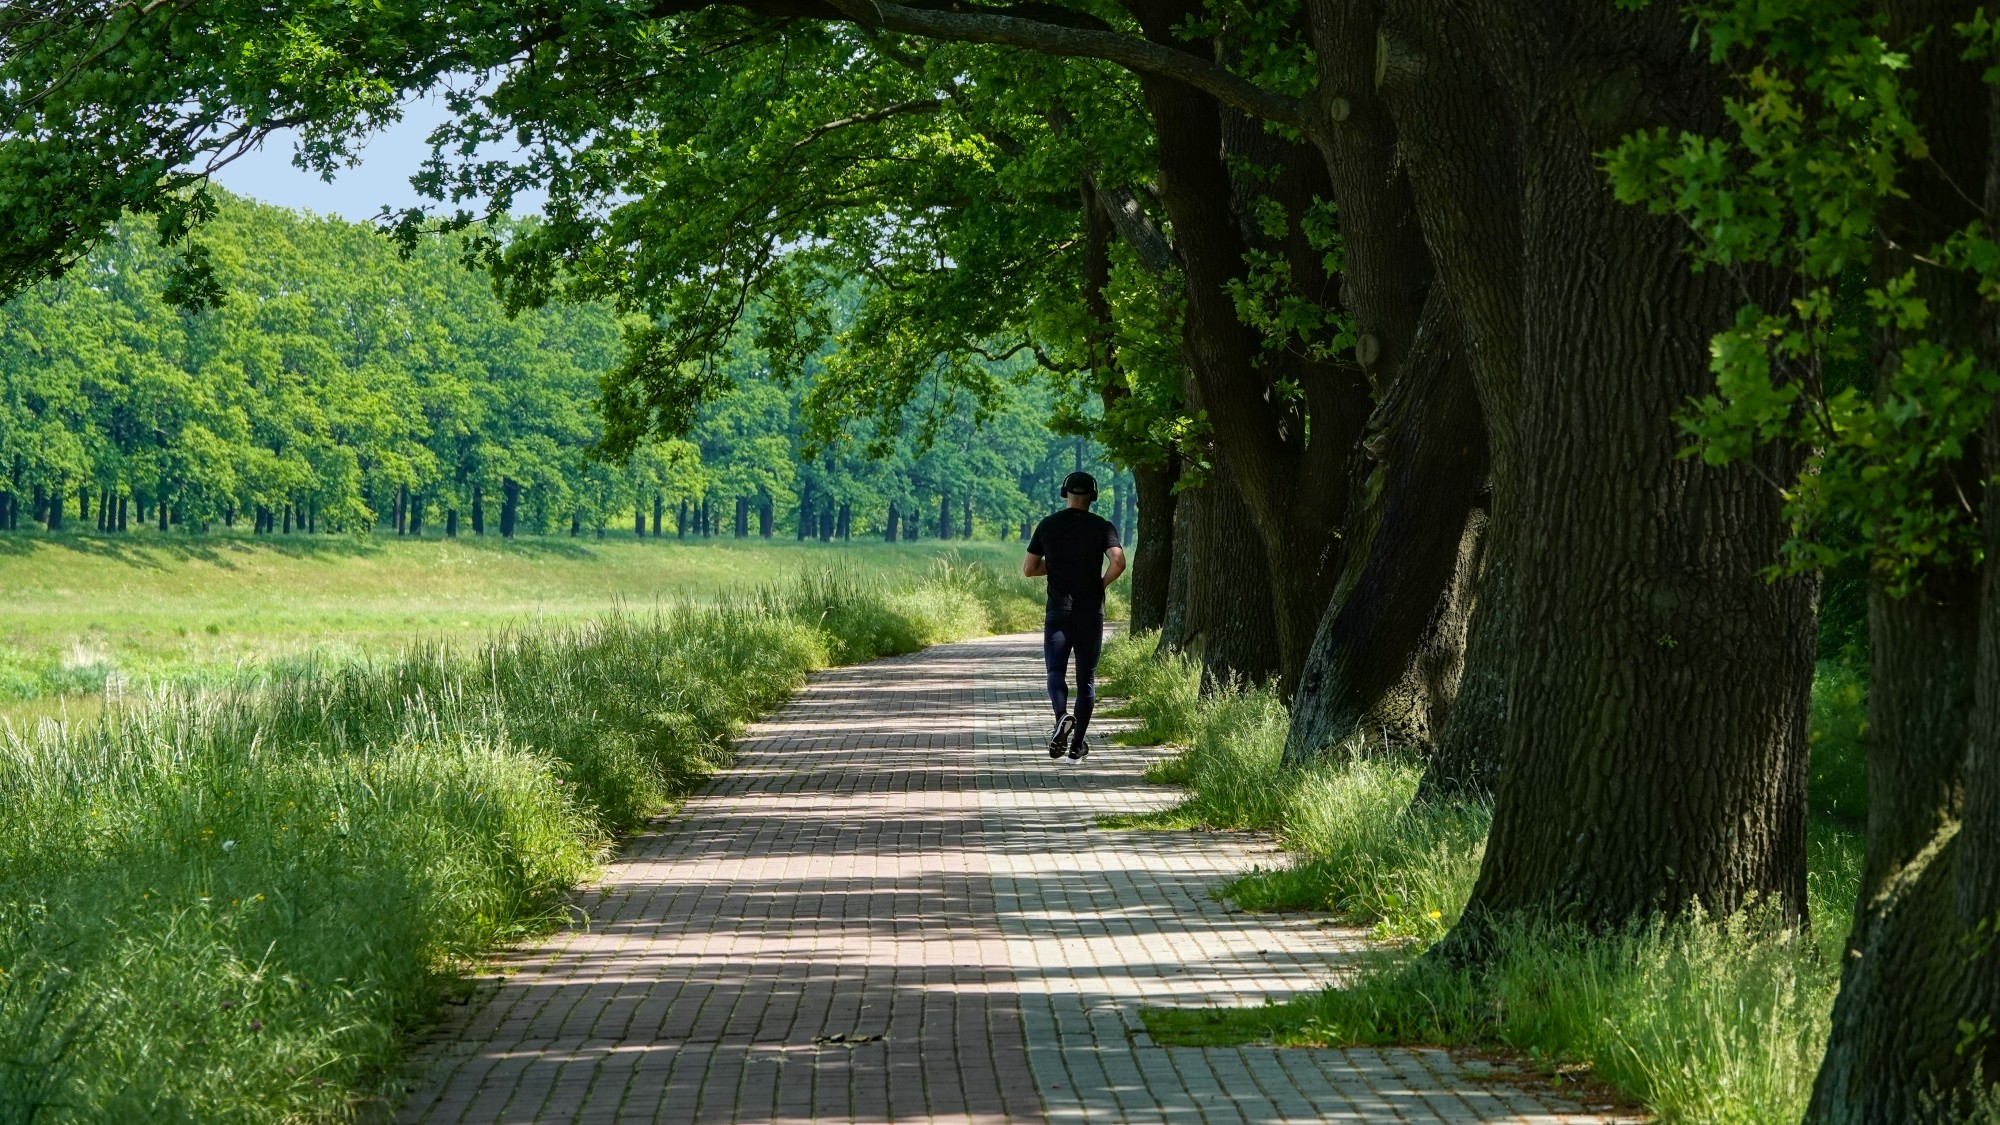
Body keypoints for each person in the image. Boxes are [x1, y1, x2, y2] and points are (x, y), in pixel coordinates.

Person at [1023, 471, 1126, 760]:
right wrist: (1100, 583)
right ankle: (1077, 744)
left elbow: (1029, 568)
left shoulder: (1047, 526)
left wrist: (1055, 567)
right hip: (1089, 612)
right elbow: (1118, 561)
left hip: (1058, 611)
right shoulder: (1102, 527)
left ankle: (1060, 718)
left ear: (1065, 493)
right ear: (1092, 496)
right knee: (1087, 680)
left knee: (1055, 671)